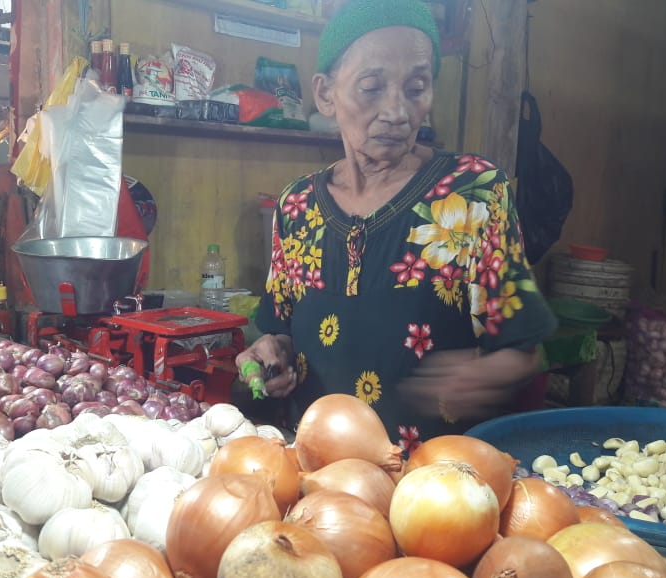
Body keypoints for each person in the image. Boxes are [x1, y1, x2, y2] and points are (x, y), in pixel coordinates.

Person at [235, 0, 558, 449]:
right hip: (314, 475)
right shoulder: (298, 206)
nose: (397, 111)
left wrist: (482, 374)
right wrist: (271, 354)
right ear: (326, 94)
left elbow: (528, 351)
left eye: (416, 87)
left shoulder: (472, 194)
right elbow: (281, 330)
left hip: (433, 488)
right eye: (371, 87)